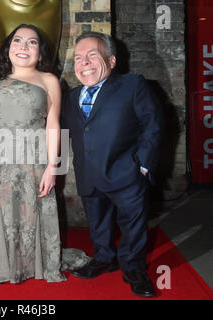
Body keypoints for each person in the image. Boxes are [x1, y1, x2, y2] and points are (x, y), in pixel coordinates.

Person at [61, 32, 164, 297]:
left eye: (92, 55)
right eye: (79, 58)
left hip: (126, 173)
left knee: (133, 225)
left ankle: (133, 267)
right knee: (98, 223)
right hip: (89, 175)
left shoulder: (132, 85)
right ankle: (104, 258)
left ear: (112, 60)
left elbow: (152, 125)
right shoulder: (70, 97)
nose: (84, 62)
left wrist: (142, 165)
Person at [0, 24, 67, 284]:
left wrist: (53, 167)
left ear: (40, 54)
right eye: (17, 40)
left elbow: (53, 124)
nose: (23, 46)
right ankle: (9, 266)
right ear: (8, 49)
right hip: (2, 161)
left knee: (32, 213)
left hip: (34, 157)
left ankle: (35, 264)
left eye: (31, 42)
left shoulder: (49, 80)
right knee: (6, 214)